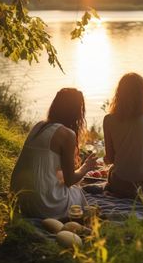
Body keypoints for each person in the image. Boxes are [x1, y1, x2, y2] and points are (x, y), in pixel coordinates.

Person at [10, 88, 98, 220]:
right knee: (77, 192)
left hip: (18, 198)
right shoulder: (67, 134)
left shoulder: (39, 126)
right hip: (42, 204)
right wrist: (86, 166)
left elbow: (45, 167)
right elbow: (69, 181)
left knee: (67, 183)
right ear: (76, 112)